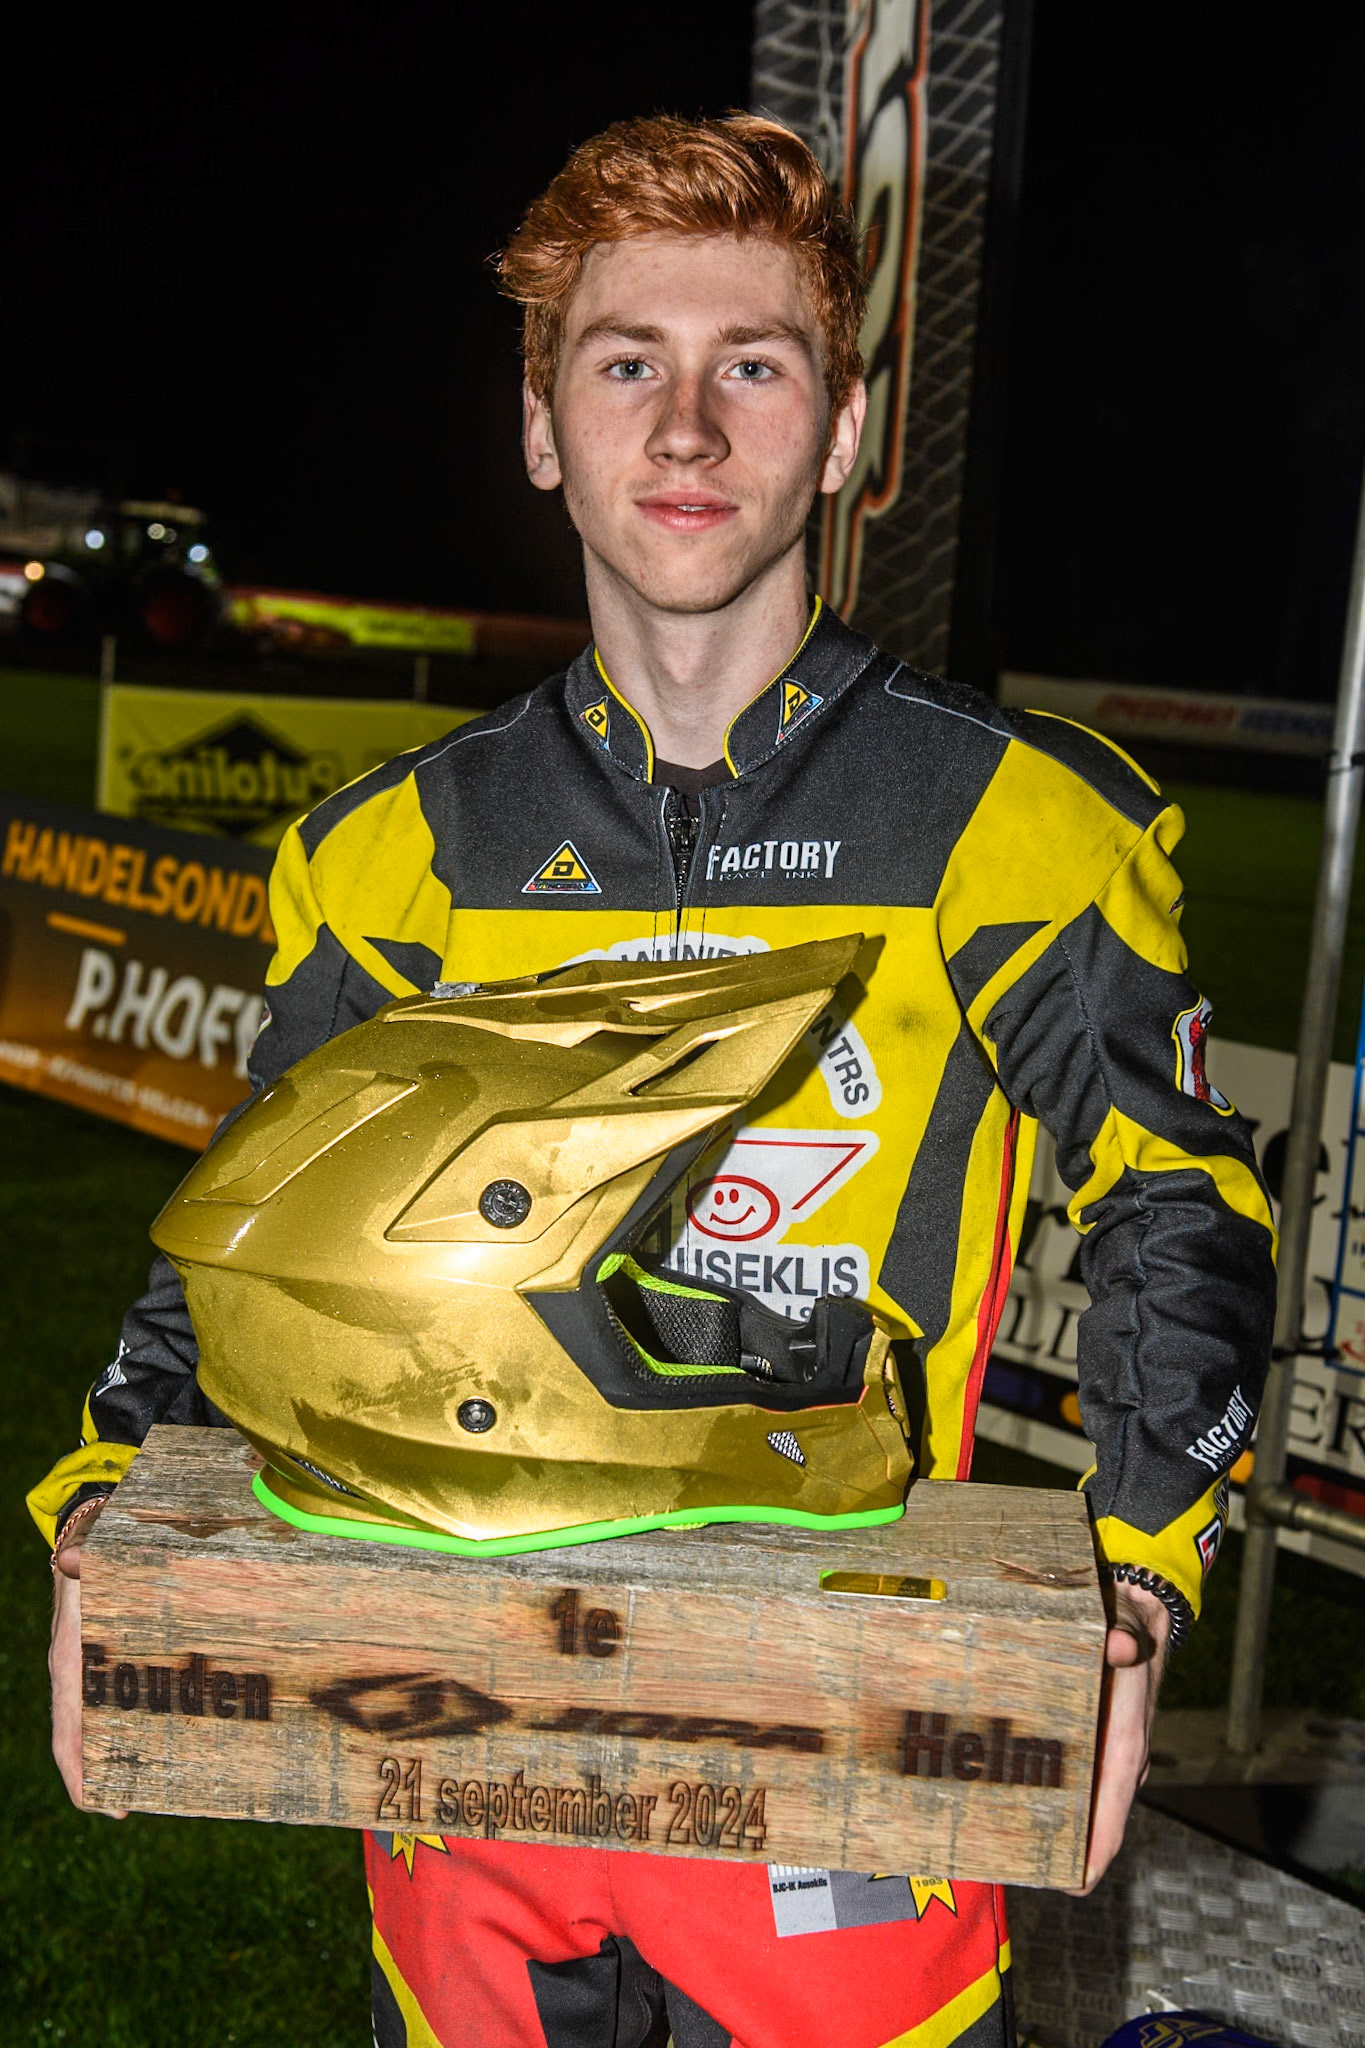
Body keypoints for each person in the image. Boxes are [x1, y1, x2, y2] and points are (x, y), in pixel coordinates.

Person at [32, 113, 1276, 2048]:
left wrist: (1126, 1595)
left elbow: (1177, 1206)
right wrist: (113, 1508)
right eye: (626, 365)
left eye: (750, 366)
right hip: (457, 1768)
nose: (684, 431)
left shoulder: (1014, 825)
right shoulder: (393, 854)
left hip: (850, 1778)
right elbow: (241, 1233)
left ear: (844, 431)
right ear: (541, 425)